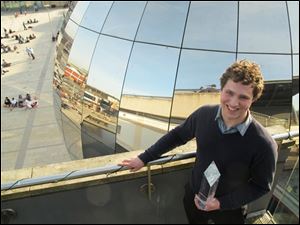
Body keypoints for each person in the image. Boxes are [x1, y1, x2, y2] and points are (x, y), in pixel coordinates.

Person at [119, 60, 278, 224]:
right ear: (221, 90)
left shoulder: (264, 144)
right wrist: (144, 158)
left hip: (229, 211)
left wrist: (220, 204)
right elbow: (178, 135)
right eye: (229, 93)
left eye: (243, 97)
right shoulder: (203, 115)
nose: (233, 103)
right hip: (194, 198)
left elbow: (261, 186)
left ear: (253, 99)